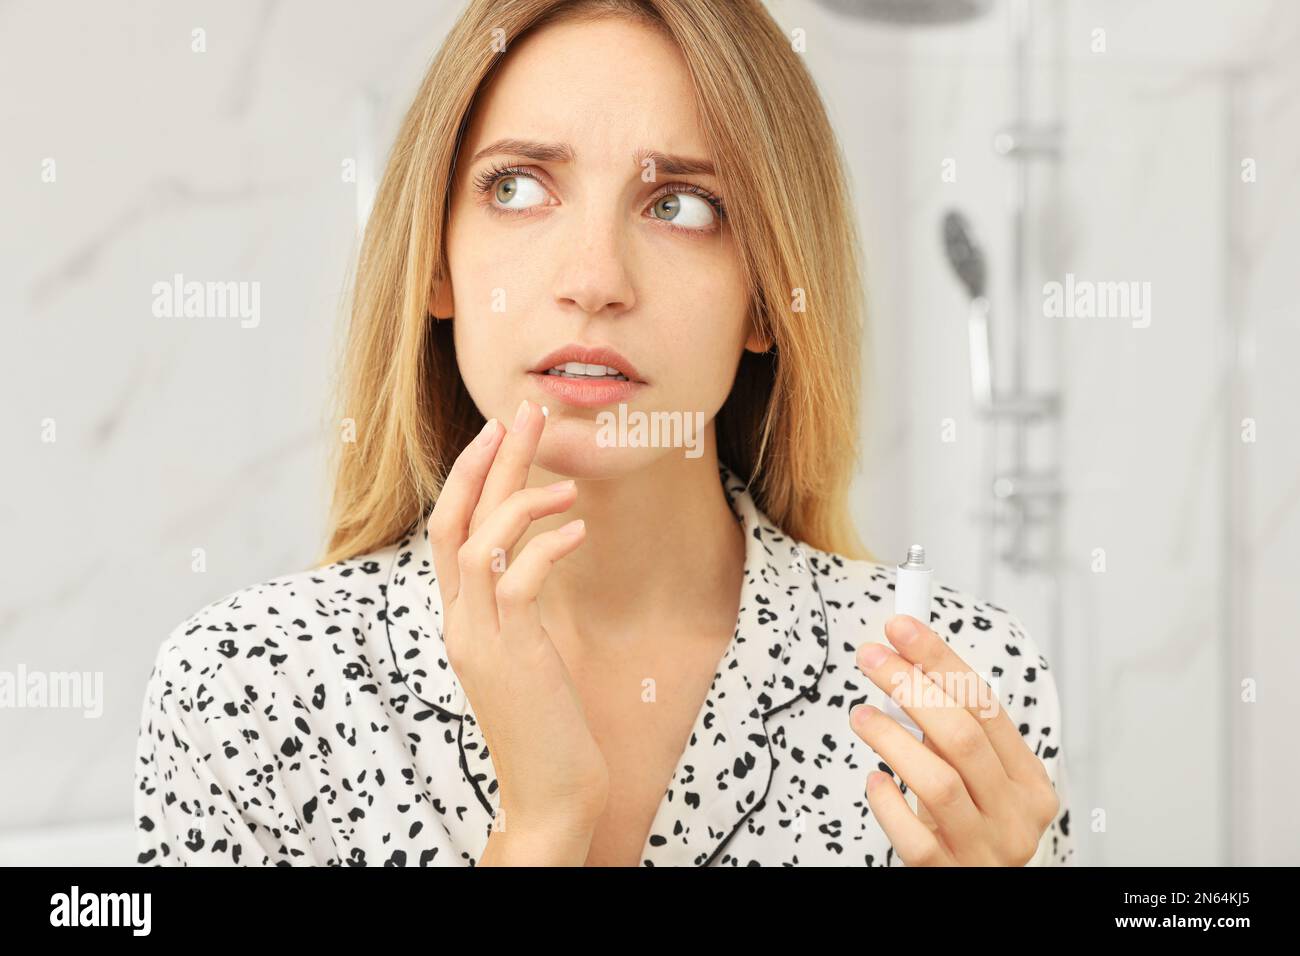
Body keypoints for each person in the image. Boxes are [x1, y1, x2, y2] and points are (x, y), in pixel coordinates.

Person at [133, 0, 1072, 867]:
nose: (595, 278)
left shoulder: (958, 690)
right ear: (436, 264)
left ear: (767, 298)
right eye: (518, 187)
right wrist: (544, 822)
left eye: (682, 206)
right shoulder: (244, 692)